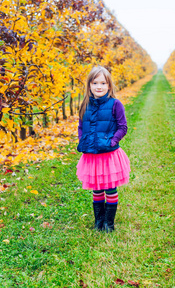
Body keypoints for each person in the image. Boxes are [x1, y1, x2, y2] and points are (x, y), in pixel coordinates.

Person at [76, 66, 130, 233]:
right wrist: (83, 140)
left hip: (109, 154)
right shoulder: (85, 104)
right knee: (97, 188)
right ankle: (98, 222)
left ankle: (109, 223)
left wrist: (112, 141)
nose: (98, 87)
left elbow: (123, 127)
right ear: (89, 85)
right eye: (95, 83)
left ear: (109, 86)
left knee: (110, 188)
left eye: (102, 83)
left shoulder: (115, 104)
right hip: (92, 154)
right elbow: (80, 126)